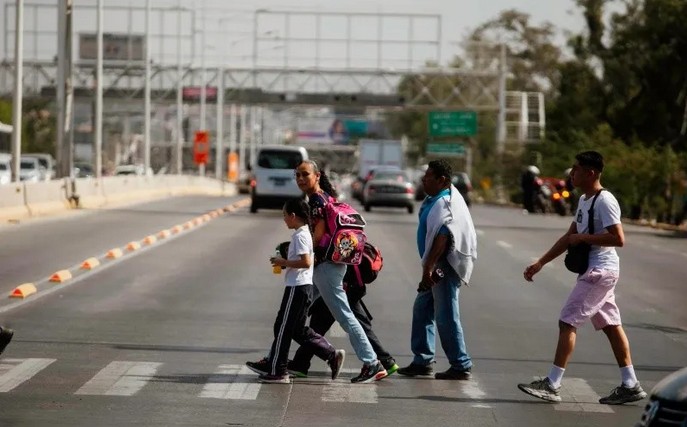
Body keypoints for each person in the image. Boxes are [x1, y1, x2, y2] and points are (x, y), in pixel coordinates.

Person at [518, 151, 648, 405]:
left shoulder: (604, 200)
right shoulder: (584, 200)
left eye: (577, 169)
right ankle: (630, 384)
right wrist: (541, 262)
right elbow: (569, 237)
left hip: (600, 271)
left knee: (567, 322)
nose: (572, 173)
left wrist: (585, 238)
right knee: (611, 326)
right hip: (596, 270)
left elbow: (618, 238)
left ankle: (552, 384)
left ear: (591, 173)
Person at [294, 159, 388, 383]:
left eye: (305, 174)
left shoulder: (317, 201)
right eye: (297, 175)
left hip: (326, 267)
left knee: (345, 317)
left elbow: (318, 235)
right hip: (328, 266)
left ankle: (372, 363)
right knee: (294, 310)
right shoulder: (325, 198)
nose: (300, 179)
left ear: (317, 176)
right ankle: (275, 358)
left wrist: (303, 254)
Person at [246, 199, 346, 384]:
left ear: (293, 216)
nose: (284, 219)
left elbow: (307, 262)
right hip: (300, 286)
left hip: (298, 287)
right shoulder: (304, 233)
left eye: (285, 215)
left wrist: (283, 262)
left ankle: (279, 371)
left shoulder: (300, 235)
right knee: (295, 329)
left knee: (284, 329)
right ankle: (331, 354)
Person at [398, 159, 477, 380]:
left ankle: (461, 364)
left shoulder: (445, 204)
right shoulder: (436, 199)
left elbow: (442, 238)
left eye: (428, 176)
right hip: (435, 265)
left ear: (442, 180)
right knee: (422, 309)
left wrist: (428, 269)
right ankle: (422, 360)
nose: (424, 179)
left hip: (443, 266)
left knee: (446, 316)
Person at [288, 273, 400, 378]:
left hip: (338, 281)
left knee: (321, 323)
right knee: (355, 323)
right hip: (347, 281)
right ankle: (386, 361)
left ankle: (301, 364)